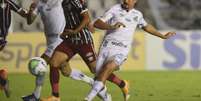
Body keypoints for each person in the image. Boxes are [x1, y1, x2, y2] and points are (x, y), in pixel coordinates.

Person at [84, 0, 176, 100]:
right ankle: (119, 88)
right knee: (99, 78)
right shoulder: (115, 9)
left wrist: (162, 36)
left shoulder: (138, 14)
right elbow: (97, 23)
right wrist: (111, 26)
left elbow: (146, 26)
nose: (125, 1)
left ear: (135, 1)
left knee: (108, 67)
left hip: (121, 50)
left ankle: (88, 98)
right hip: (106, 47)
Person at [41, 0, 130, 101]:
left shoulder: (74, 1)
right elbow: (72, 19)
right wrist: (65, 31)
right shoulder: (64, 2)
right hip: (70, 40)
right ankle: (55, 96)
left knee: (96, 70)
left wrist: (75, 31)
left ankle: (122, 84)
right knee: (54, 62)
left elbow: (86, 18)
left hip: (83, 41)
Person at [21, 0, 95, 101]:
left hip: (60, 38)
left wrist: (88, 22)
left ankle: (38, 95)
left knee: (41, 63)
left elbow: (79, 7)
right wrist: (31, 10)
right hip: (50, 40)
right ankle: (91, 81)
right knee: (65, 70)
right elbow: (30, 21)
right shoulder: (38, 4)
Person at [0, 0, 28, 98]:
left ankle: (3, 80)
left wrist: (32, 12)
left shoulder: (7, 2)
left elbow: (23, 13)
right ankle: (2, 78)